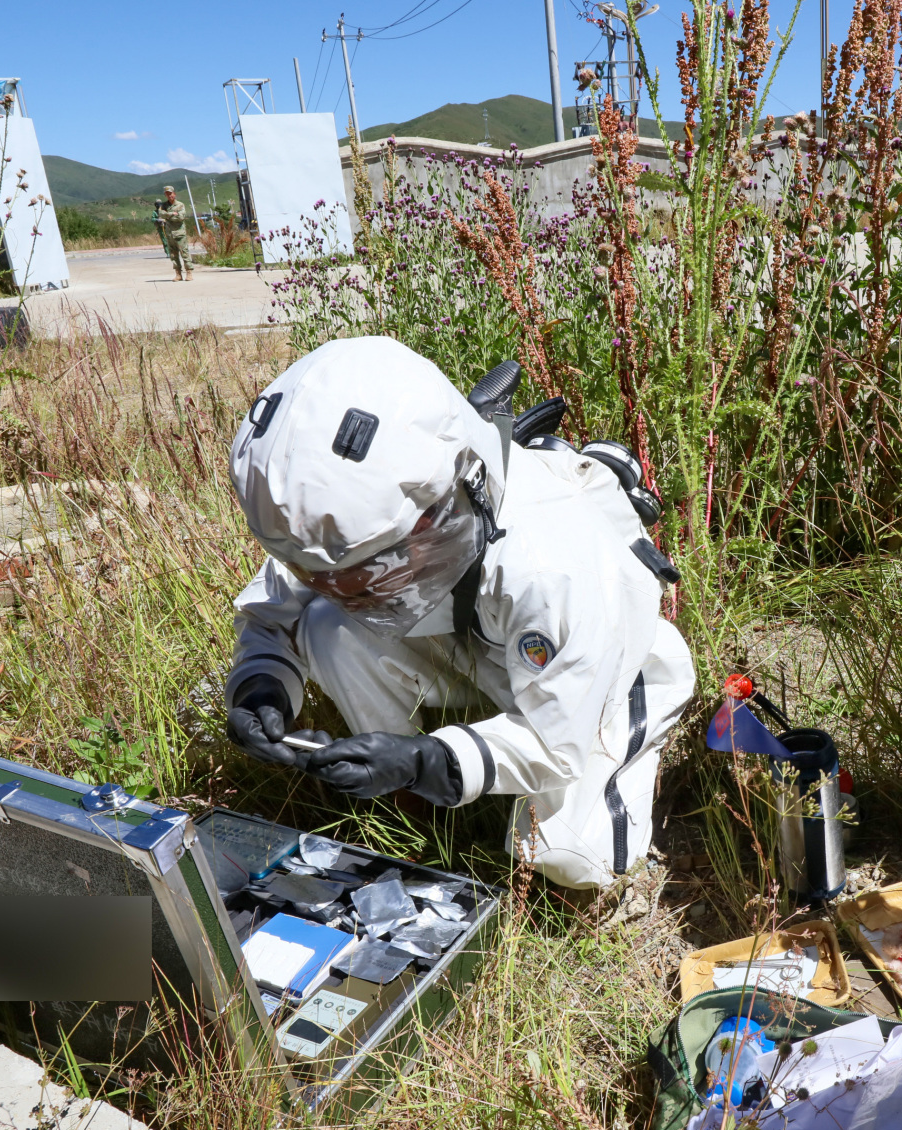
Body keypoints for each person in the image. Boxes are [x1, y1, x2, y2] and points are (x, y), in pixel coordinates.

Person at [222, 336, 693, 891]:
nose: (349, 592)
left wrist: (430, 760)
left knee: (569, 851)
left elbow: (554, 742)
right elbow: (273, 611)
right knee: (328, 628)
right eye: (323, 577)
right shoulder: (333, 529)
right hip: (477, 643)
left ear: (439, 510)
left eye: (371, 575)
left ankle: (634, 742)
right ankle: (403, 800)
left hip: (594, 673)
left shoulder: (554, 566)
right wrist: (260, 687)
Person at [154, 185, 192, 281]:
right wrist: (171, 214)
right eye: (167, 194)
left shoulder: (180, 205)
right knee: (173, 255)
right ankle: (178, 274)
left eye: (170, 193)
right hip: (170, 234)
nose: (169, 195)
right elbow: (160, 214)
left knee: (184, 253)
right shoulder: (163, 205)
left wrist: (167, 216)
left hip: (179, 233)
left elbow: (180, 217)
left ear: (174, 194)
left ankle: (189, 273)